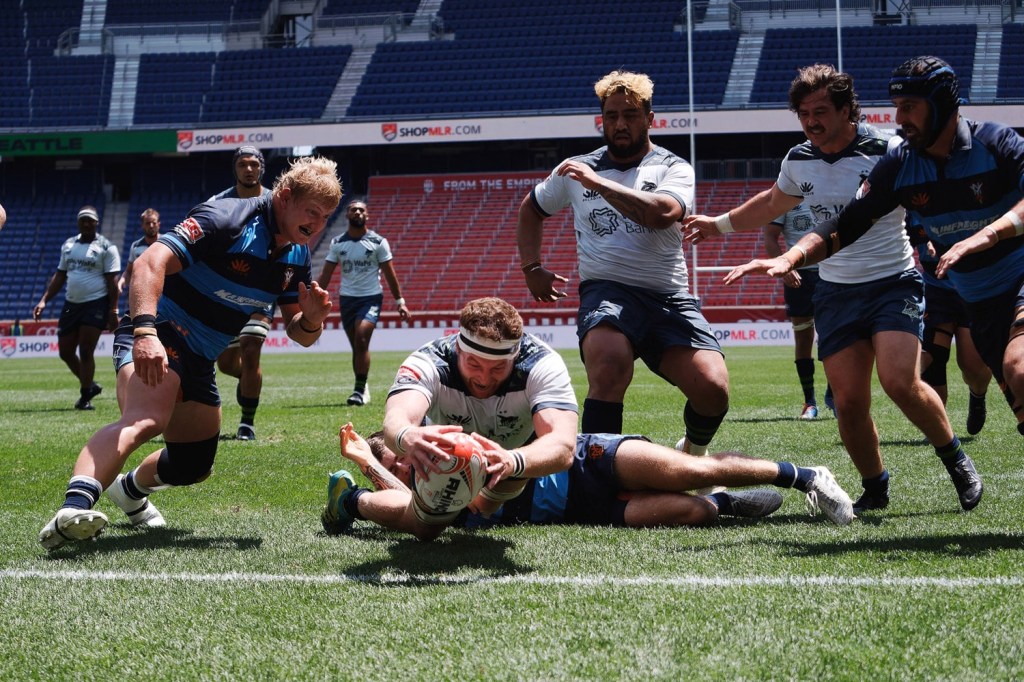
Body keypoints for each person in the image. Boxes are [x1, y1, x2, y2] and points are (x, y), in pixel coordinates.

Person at [683, 63, 981, 515]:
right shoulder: (799, 159)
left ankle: (956, 459)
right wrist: (718, 224)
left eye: (821, 110)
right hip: (835, 291)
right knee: (848, 401)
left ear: (847, 109)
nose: (811, 122)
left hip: (892, 282)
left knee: (900, 382)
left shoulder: (890, 150)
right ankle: (875, 486)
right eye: (803, 113)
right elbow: (772, 202)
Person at [38, 156, 342, 550]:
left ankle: (128, 491)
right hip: (157, 329)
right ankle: (71, 509)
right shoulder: (227, 216)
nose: (317, 224)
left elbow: (300, 333)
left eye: (325, 216)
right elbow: (150, 261)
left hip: (199, 356)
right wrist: (145, 332)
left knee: (193, 465)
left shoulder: (296, 253)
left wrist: (313, 320)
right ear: (284, 196)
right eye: (312, 212)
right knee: (145, 419)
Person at [516, 70, 729, 460]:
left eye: (630, 115)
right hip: (607, 291)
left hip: (668, 297)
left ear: (650, 118)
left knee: (713, 391)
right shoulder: (575, 169)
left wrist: (597, 183)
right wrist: (532, 267)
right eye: (611, 115)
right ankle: (599, 477)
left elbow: (662, 214)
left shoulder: (672, 167)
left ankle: (692, 453)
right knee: (609, 365)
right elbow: (531, 208)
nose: (619, 124)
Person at [320, 297, 580, 541]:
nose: (484, 378)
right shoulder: (428, 361)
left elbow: (563, 445)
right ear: (458, 348)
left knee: (487, 503)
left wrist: (512, 460)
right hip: (453, 463)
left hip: (517, 460)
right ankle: (351, 500)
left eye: (498, 368)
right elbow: (396, 418)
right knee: (426, 529)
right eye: (474, 364)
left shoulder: (541, 364)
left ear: (515, 355)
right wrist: (407, 435)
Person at [328, 421, 856, 531]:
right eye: (402, 472)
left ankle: (806, 476)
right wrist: (368, 463)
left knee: (688, 470)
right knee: (690, 510)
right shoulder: (428, 492)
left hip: (586, 460)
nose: (413, 472)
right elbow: (422, 506)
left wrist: (371, 461)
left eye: (405, 461)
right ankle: (725, 503)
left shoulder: (447, 447)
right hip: (581, 510)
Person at [316, 199, 411, 406]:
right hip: (347, 299)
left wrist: (400, 301)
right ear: (347, 215)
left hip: (370, 298)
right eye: (353, 210)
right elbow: (326, 274)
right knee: (358, 347)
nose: (357, 212)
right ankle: (363, 385)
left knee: (361, 338)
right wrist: (315, 297)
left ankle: (358, 391)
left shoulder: (378, 242)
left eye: (361, 210)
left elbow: (390, 274)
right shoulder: (337, 243)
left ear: (367, 215)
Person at [211, 146, 274, 440]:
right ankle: (251, 381)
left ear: (261, 167)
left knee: (250, 350)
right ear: (234, 168)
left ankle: (246, 423)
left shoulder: (276, 202)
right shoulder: (218, 203)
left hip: (261, 290)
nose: (248, 169)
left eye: (253, 164)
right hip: (224, 291)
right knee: (226, 364)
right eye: (242, 164)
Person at [33, 205, 120, 410]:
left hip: (96, 303)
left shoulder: (107, 248)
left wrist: (113, 310)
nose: (87, 223)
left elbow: (113, 283)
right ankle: (89, 385)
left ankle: (84, 398)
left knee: (86, 350)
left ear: (97, 223)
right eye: (83, 220)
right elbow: (60, 275)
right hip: (71, 303)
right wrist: (44, 300)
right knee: (65, 351)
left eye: (91, 220)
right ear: (78, 223)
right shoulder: (69, 245)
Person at [910, 233, 990, 435]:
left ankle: (978, 395)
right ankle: (940, 427)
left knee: (974, 367)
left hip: (973, 287)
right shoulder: (915, 204)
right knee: (931, 357)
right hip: (934, 288)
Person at [763, 203, 834, 419]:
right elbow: (770, 237)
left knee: (834, 339)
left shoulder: (826, 190)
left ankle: (835, 397)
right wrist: (785, 266)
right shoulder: (785, 196)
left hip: (831, 275)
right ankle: (809, 403)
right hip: (799, 277)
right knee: (803, 340)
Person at [118, 208, 162, 299]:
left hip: (163, 294)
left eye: (154, 222)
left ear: (159, 224)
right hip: (142, 295)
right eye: (147, 223)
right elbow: (129, 271)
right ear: (142, 225)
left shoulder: (166, 243)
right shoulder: (136, 246)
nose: (151, 226)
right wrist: (122, 280)